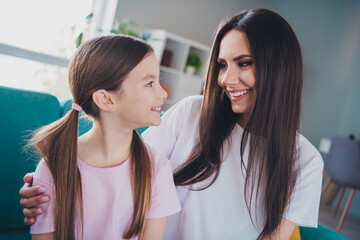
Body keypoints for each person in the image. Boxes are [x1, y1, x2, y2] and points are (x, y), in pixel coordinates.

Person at [19, 9, 323, 239]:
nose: (226, 79)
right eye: (222, 64)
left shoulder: (305, 161)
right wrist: (53, 187)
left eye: (244, 63)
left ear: (279, 68)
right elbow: (120, 170)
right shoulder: (191, 113)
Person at [23, 35, 181, 240]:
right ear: (106, 99)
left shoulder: (157, 167)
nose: (163, 93)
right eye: (150, 83)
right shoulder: (52, 168)